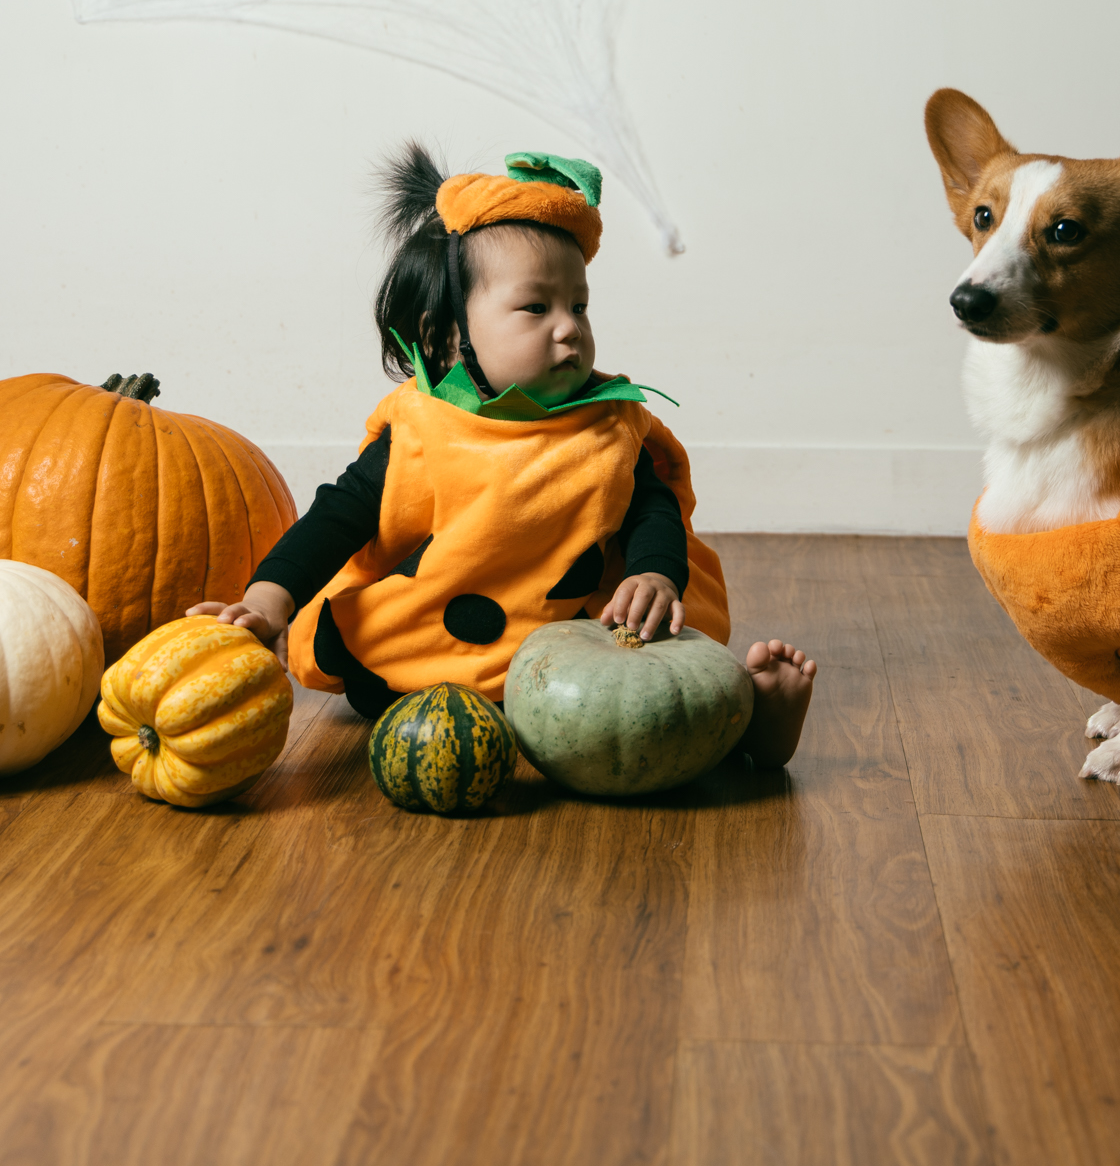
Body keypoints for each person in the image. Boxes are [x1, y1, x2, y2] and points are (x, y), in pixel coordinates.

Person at [190, 144, 816, 768]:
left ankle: (756, 724)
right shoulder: (420, 431)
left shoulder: (608, 426)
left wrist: (652, 574)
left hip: (572, 638)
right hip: (442, 632)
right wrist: (270, 599)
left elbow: (652, 510)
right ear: (445, 338)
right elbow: (336, 518)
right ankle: (498, 717)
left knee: (655, 688)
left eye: (579, 306)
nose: (569, 327)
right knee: (382, 679)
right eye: (536, 308)